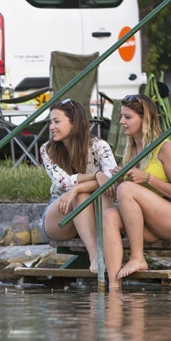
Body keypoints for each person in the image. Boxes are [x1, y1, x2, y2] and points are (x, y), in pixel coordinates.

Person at [102, 93, 171, 284]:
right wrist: (118, 181)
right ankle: (113, 285)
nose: (121, 122)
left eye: (128, 117)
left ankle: (138, 258)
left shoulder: (165, 147)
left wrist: (147, 178)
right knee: (109, 215)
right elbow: (131, 197)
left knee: (126, 189)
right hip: (149, 222)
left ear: (145, 120)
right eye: (121, 117)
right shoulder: (130, 152)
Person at [40, 98, 119, 275]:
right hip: (61, 215)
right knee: (81, 196)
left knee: (88, 194)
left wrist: (77, 188)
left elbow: (112, 179)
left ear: (74, 123)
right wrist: (96, 176)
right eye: (50, 122)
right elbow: (64, 182)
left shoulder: (99, 146)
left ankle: (105, 255)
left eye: (56, 121)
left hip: (94, 212)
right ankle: (95, 255)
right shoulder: (47, 149)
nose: (51, 127)